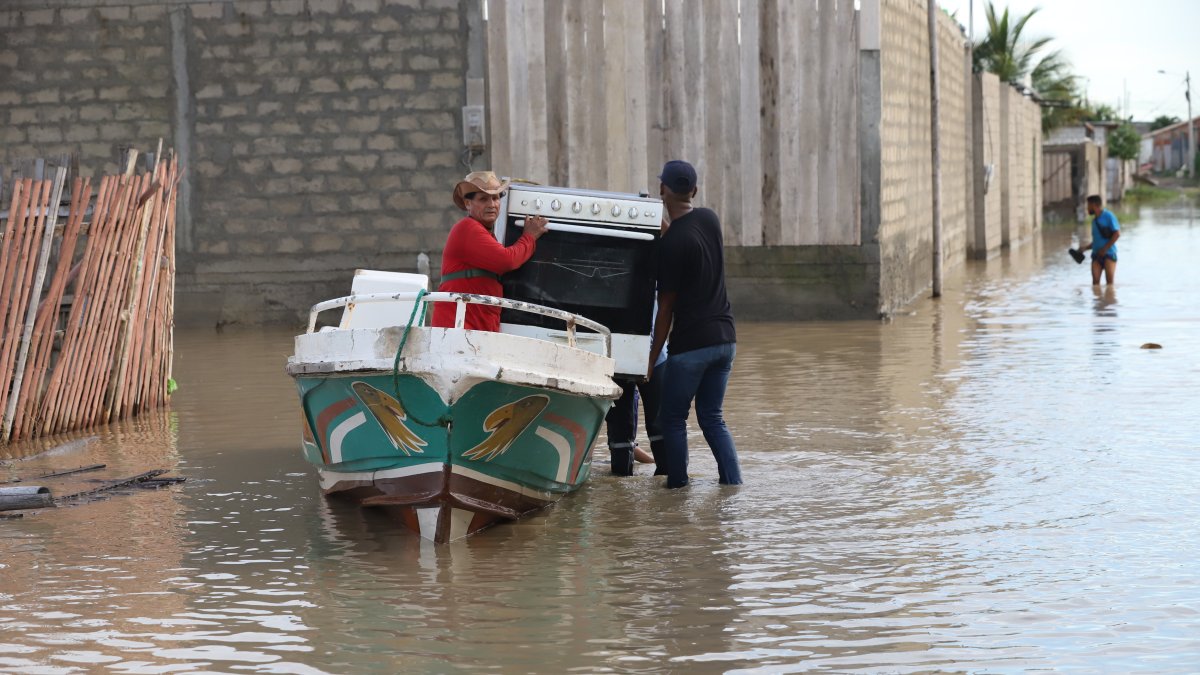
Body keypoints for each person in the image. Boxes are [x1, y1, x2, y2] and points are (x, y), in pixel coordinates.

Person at [646, 160, 742, 489]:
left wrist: (651, 357)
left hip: (691, 346)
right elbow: (688, 239)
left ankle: (677, 488)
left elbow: (666, 307)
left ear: (662, 190)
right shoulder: (709, 218)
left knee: (671, 418)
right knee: (712, 418)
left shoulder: (669, 247)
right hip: (725, 340)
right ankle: (733, 485)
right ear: (694, 192)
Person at [431, 171, 548, 331]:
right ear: (468, 204)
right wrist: (529, 237)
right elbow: (507, 261)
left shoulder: (485, 233)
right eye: (483, 199)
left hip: (474, 330)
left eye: (495, 198)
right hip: (458, 328)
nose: (492, 204)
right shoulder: (468, 228)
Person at [1079, 194, 1120, 285]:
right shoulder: (1094, 221)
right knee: (1095, 284)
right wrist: (1085, 248)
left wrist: (1105, 249)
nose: (1087, 208)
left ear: (1094, 205)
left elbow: (1117, 234)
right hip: (1096, 256)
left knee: (1110, 284)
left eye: (1088, 206)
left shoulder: (1108, 216)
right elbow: (1097, 241)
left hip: (1109, 254)